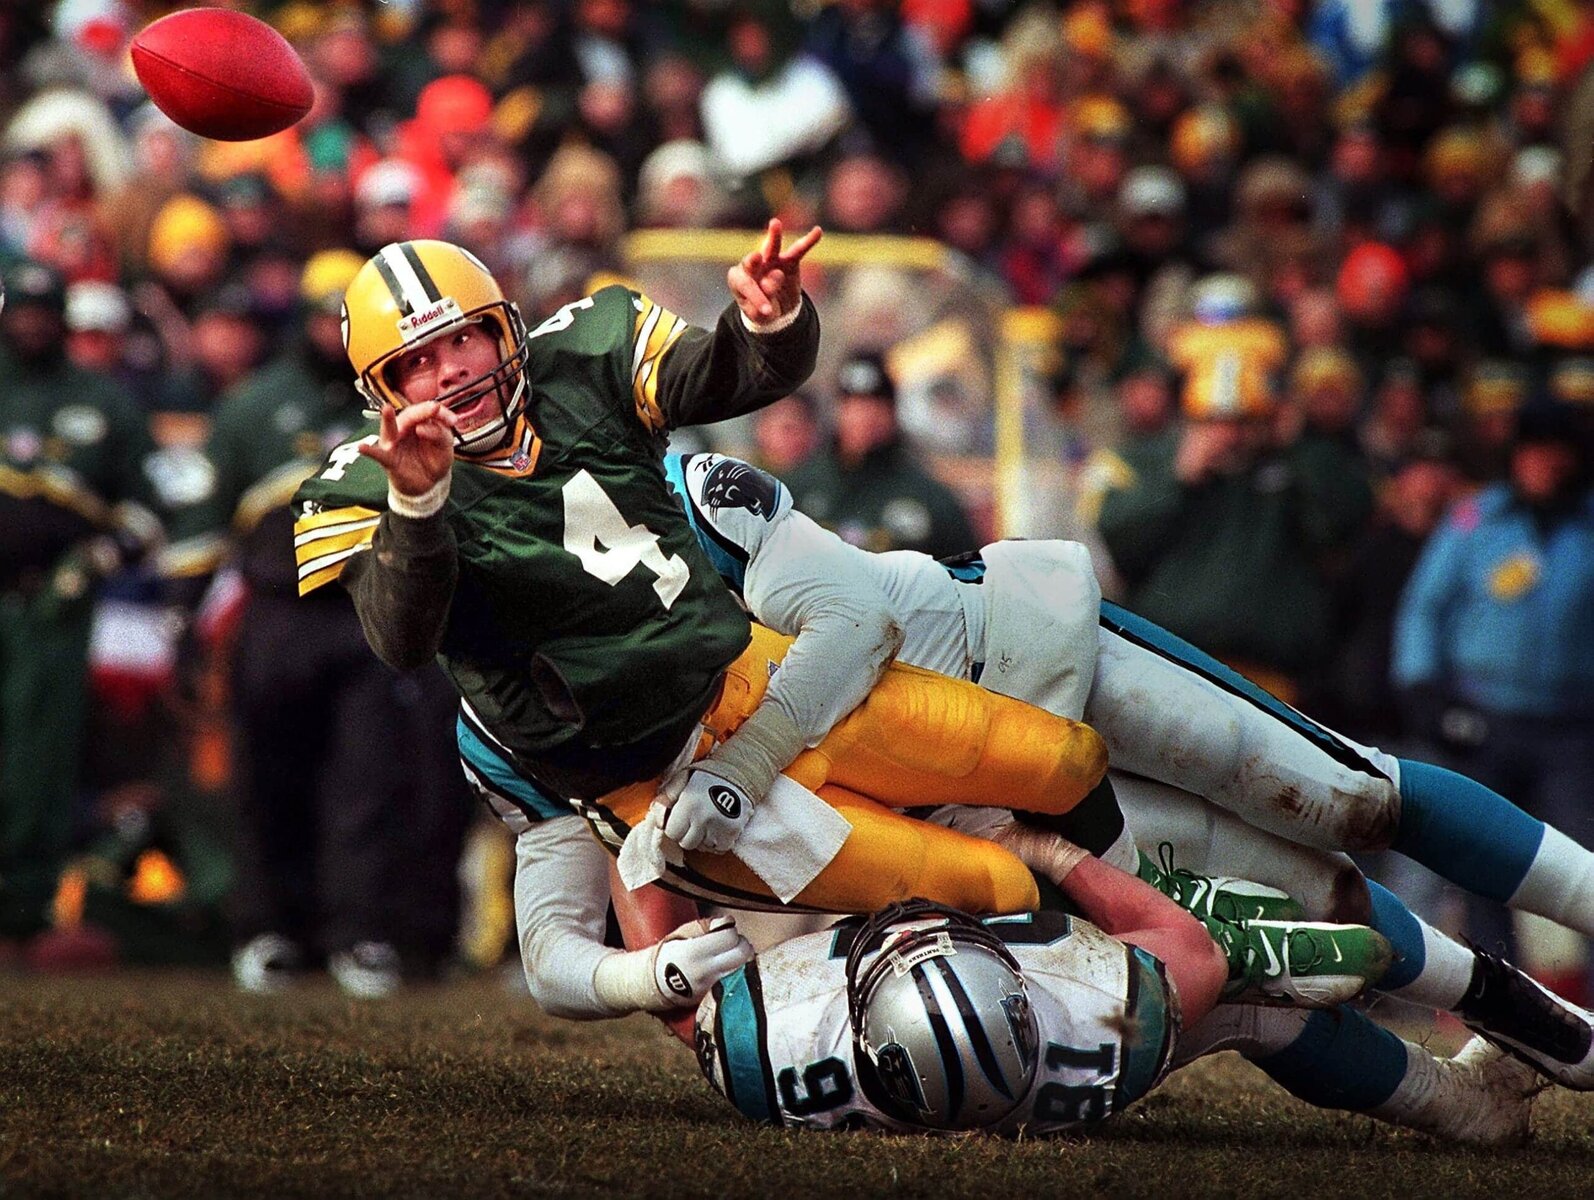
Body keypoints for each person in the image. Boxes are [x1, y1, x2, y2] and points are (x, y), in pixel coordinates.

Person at [520, 448, 1594, 1092]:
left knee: (1349, 793)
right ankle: (1501, 1016)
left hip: (1020, 647)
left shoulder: (691, 495)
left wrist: (745, 765)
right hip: (975, 814)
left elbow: (850, 622)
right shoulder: (523, 710)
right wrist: (648, 976)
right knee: (1292, 914)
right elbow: (554, 930)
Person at [685, 843, 1538, 1145]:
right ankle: (1458, 1102)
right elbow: (1183, 946)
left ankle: (1459, 1106)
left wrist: (652, 968)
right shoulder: (1094, 1019)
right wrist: (1055, 855)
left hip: (1003, 1065)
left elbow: (683, 1013)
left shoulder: (766, 1042)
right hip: (1081, 1045)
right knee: (1247, 1003)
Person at [163, 250, 470, 996]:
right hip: (277, 615)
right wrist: (183, 621)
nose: (334, 330)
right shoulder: (251, 404)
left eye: (347, 316)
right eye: (324, 314)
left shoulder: (407, 396)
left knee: (370, 782)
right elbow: (202, 527)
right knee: (269, 777)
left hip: (372, 615)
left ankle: (359, 934)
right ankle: (269, 931)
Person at [1394, 402, 1594, 988]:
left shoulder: (1587, 526)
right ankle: (1497, 995)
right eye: (1534, 452)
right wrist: (1422, 687)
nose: (1545, 465)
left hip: (1569, 726)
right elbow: (1426, 606)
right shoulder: (1476, 520)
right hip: (1484, 718)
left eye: (1556, 453)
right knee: (1484, 865)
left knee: (1584, 860)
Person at [0, 261, 162, 941]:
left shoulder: (105, 402)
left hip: (54, 608)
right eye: (21, 310)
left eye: (44, 312)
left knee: (39, 759)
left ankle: (24, 905)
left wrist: (96, 559)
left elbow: (150, 511)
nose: (31, 323)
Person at [785, 352, 977, 558]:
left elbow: (968, 571)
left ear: (892, 412)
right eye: (853, 405)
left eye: (875, 405)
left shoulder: (929, 499)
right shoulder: (797, 491)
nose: (863, 417)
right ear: (837, 410)